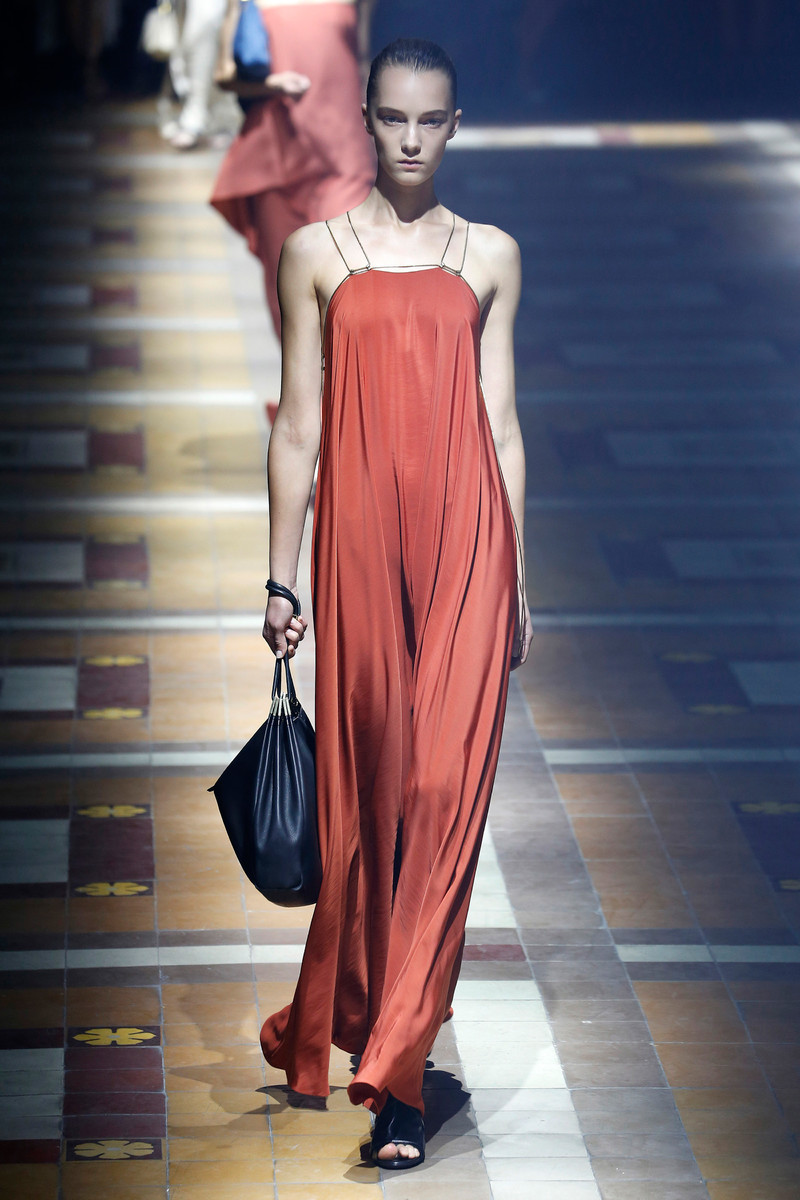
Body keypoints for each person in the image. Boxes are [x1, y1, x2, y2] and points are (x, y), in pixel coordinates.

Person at [261, 37, 533, 1170]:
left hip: (471, 545)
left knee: (441, 796)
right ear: (366, 120)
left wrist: (522, 578)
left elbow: (502, 424)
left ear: (455, 125)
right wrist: (280, 575)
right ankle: (371, 1019)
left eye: (430, 121)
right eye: (392, 119)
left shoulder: (491, 254)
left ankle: (402, 1082)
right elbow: (297, 426)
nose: (411, 139)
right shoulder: (314, 253)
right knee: (374, 799)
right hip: (362, 549)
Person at [210, 0, 375, 335]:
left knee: (351, 277)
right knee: (289, 293)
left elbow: (366, 58)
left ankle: (344, 369)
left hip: (344, 151)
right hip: (277, 155)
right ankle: (306, 371)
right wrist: (273, 84)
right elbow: (224, 74)